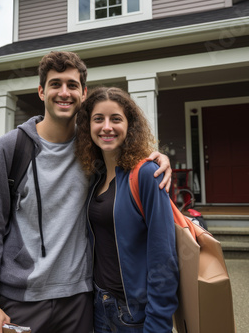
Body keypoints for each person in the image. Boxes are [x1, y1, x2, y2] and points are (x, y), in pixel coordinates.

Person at [0, 51, 172, 333]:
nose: (64, 92)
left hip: (81, 300)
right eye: (55, 84)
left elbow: (122, 144)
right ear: (41, 91)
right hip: (22, 300)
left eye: (72, 85)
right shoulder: (10, 149)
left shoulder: (92, 148)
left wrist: (156, 156)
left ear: (83, 92)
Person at [75, 87, 179, 333]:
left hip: (134, 314)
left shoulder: (146, 174)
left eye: (116, 119)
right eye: (98, 119)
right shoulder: (95, 177)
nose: (106, 127)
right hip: (100, 306)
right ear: (88, 126)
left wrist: (157, 323)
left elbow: (164, 257)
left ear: (130, 125)